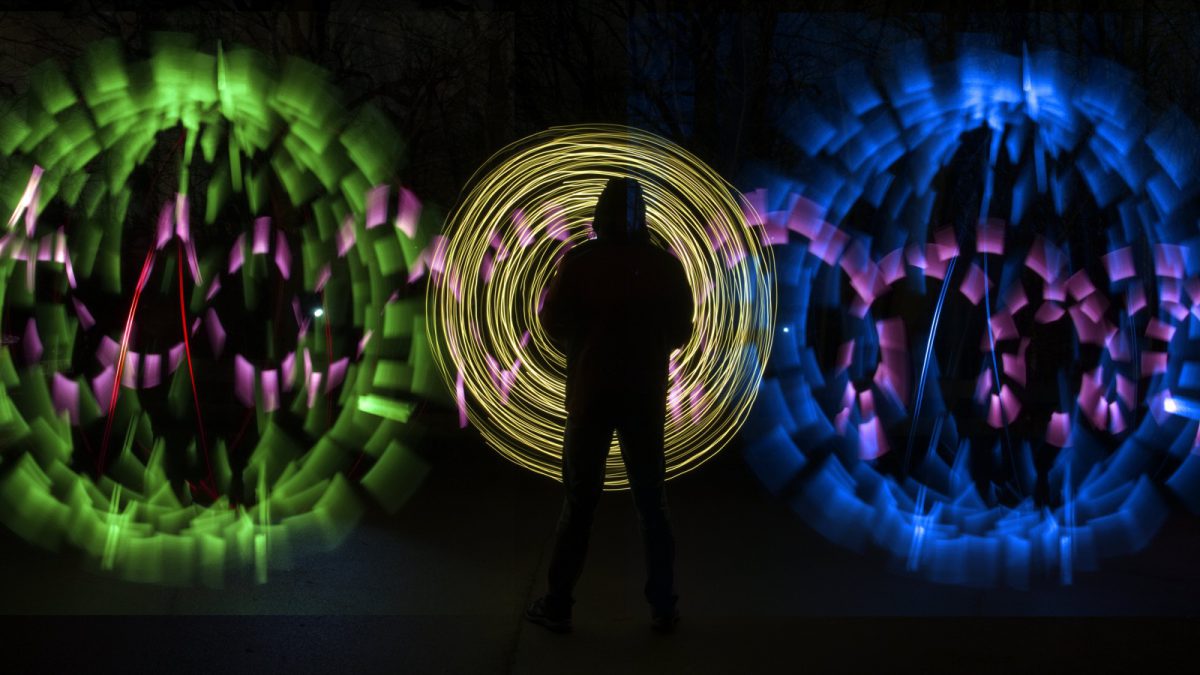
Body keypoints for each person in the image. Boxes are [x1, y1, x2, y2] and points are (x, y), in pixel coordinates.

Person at [525, 176, 694, 634]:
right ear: (645, 216)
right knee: (652, 504)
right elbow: (683, 330)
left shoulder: (580, 263)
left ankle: (558, 604)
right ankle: (664, 606)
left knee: (579, 502)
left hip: (591, 394)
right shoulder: (664, 266)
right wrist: (651, 346)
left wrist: (584, 346)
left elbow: (551, 319)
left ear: (599, 214)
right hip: (643, 396)